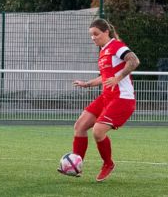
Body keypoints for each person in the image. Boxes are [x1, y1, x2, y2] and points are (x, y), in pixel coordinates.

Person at [59, 19, 140, 182]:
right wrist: (87, 84)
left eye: (96, 34)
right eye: (91, 35)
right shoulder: (103, 51)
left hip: (122, 99)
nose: (93, 38)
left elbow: (134, 61)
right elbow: (104, 77)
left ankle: (108, 163)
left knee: (98, 131)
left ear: (106, 32)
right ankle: (77, 165)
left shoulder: (116, 46)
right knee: (80, 126)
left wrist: (118, 77)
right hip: (107, 97)